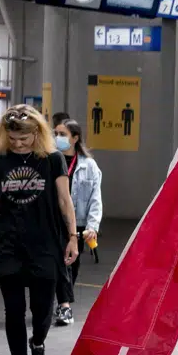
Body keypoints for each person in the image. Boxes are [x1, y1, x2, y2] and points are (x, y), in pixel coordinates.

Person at [0, 106, 77, 355]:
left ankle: (38, 342)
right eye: (13, 139)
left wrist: (73, 237)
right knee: (13, 310)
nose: (18, 144)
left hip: (45, 242)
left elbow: (65, 200)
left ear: (37, 133)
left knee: (42, 308)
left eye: (24, 139)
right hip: (8, 242)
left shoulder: (53, 159)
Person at [52, 119, 102, 326]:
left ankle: (63, 301)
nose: (58, 138)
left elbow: (95, 198)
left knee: (73, 262)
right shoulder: (50, 160)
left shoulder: (88, 166)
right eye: (56, 133)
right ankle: (65, 305)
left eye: (63, 134)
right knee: (60, 262)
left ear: (75, 138)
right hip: (53, 221)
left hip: (78, 223)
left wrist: (93, 226)